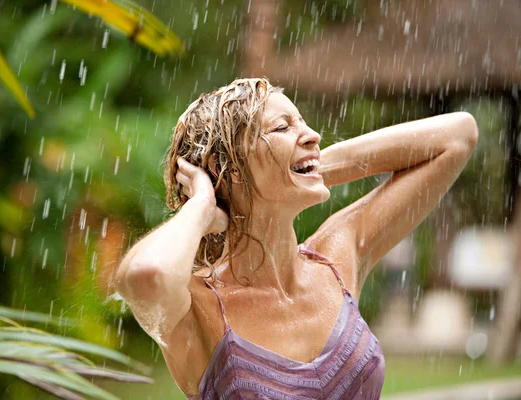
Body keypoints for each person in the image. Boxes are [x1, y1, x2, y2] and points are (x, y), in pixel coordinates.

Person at [114, 78, 478, 399]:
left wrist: (309, 168)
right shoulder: (199, 309)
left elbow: (458, 136)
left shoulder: (336, 257)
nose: (313, 135)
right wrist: (203, 205)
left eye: (302, 122)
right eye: (282, 127)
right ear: (225, 168)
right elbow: (145, 275)